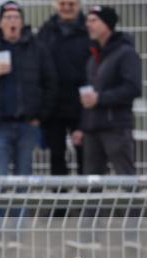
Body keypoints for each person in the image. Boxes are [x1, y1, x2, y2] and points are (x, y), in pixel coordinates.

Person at [0, 1, 56, 249]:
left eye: (16, 16)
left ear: (22, 21)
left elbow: (51, 84)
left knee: (24, 179)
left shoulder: (36, 49)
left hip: (27, 125)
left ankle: (17, 234)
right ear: (0, 22)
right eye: (7, 16)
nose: (12, 21)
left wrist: (40, 115)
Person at [68, 5, 142, 252]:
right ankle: (90, 237)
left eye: (93, 20)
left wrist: (101, 99)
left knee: (127, 179)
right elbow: (91, 95)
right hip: (92, 129)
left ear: (107, 24)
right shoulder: (94, 57)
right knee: (92, 181)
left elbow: (133, 89)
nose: (88, 24)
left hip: (116, 127)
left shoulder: (125, 53)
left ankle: (133, 236)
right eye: (88, 20)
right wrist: (81, 126)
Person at [37, 0, 89, 175]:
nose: (66, 8)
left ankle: (87, 200)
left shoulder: (89, 30)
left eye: (71, 4)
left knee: (85, 155)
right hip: (54, 106)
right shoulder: (46, 32)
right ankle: (59, 201)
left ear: (79, 5)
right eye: (62, 3)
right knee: (56, 156)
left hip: (82, 105)